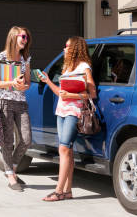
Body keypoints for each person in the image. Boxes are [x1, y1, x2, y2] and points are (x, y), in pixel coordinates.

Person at [40, 36, 96, 201]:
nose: (64, 49)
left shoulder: (85, 67)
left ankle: (58, 191)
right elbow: (60, 93)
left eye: (67, 46)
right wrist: (48, 81)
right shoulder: (66, 68)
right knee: (67, 150)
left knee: (63, 149)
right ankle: (68, 191)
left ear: (75, 49)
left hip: (74, 111)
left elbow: (92, 94)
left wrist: (72, 94)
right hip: (61, 110)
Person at [0, 26, 32, 192]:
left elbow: (28, 83)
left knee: (26, 139)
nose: (25, 40)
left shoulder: (25, 59)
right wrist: (10, 83)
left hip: (21, 103)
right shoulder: (0, 57)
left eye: (27, 37)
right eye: (23, 36)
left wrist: (22, 85)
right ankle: (11, 176)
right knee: (8, 141)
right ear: (14, 37)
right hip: (5, 102)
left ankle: (11, 169)